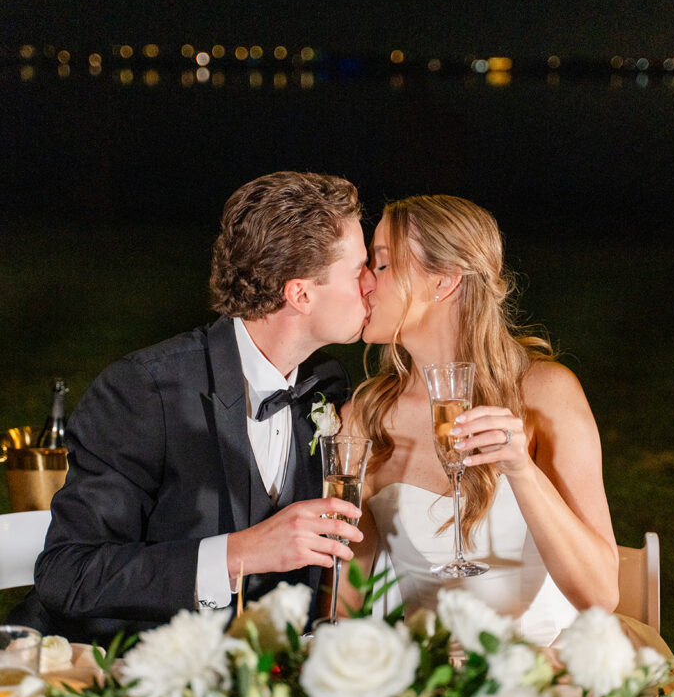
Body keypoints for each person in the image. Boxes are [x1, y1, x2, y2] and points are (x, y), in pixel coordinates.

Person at [15, 172, 376, 643]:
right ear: (300, 293)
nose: (372, 284)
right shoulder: (145, 391)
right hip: (134, 674)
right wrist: (237, 554)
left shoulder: (325, 383)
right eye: (359, 269)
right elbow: (69, 573)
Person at [340, 195, 619, 645]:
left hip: (549, 679)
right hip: (426, 692)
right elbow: (344, 603)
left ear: (444, 281)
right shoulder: (363, 419)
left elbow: (601, 594)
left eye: (384, 264)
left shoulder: (547, 395)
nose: (366, 282)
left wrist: (521, 471)